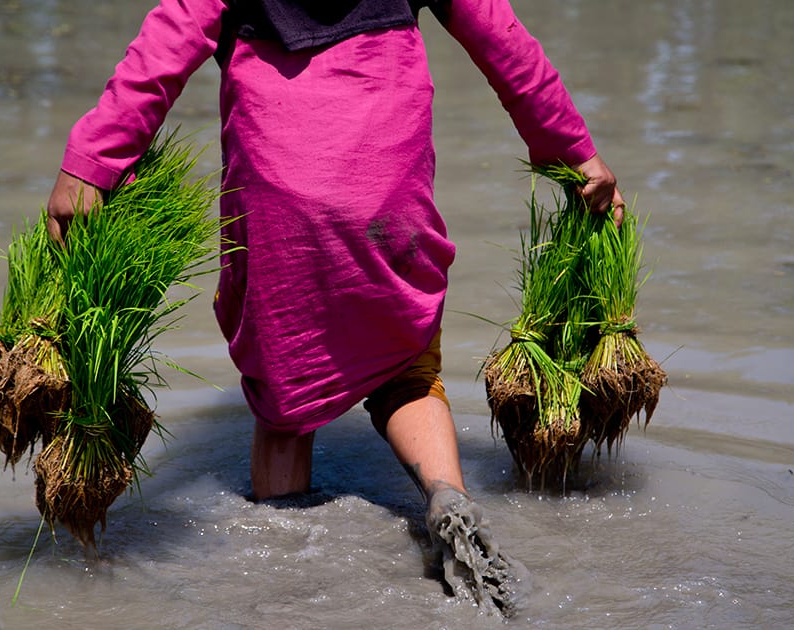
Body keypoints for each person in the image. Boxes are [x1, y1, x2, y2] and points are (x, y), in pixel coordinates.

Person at [46, 0, 625, 617]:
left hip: (279, 190)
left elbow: (164, 47)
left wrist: (91, 161)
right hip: (386, 188)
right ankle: (449, 500)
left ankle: (288, 566)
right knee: (409, 372)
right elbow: (500, 37)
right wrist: (570, 148)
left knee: (285, 403)